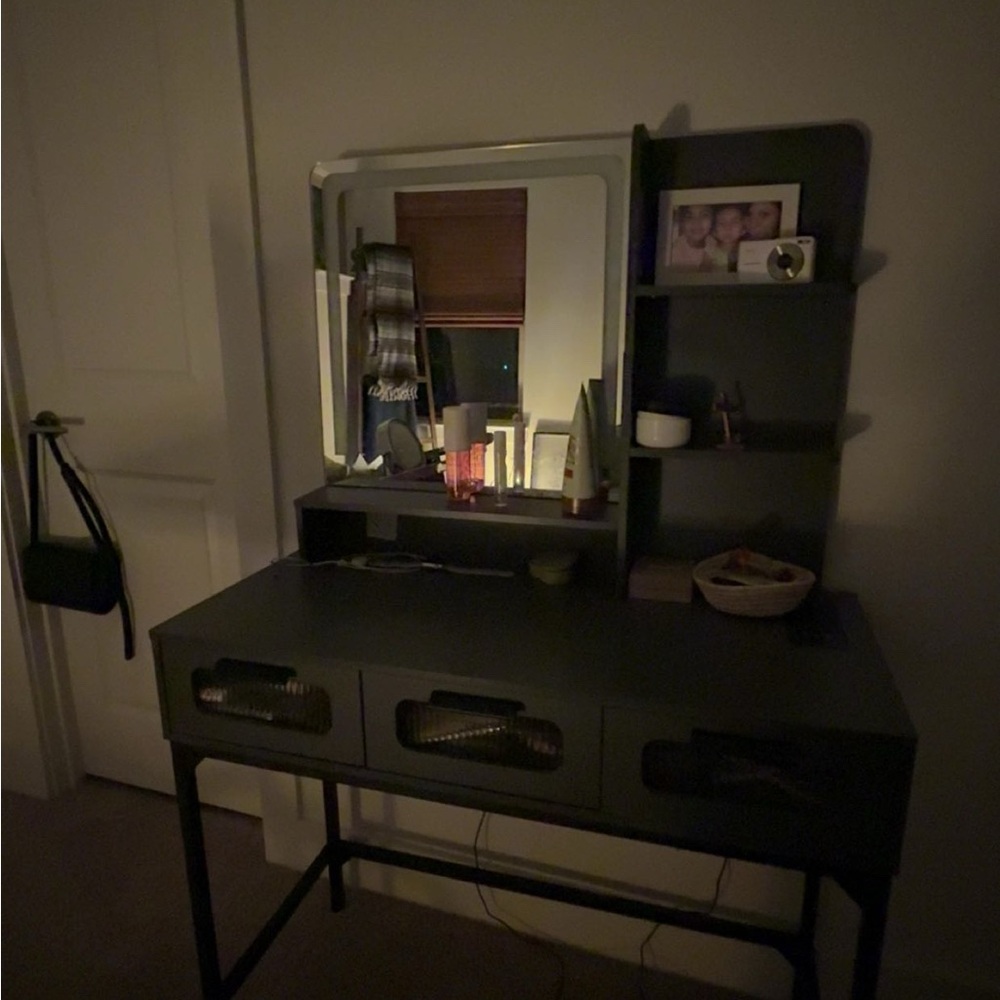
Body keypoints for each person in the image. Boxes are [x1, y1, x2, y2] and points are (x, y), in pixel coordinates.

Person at [707, 204, 746, 272]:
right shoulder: (710, 249)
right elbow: (703, 272)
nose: (728, 228)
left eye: (734, 222)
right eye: (722, 223)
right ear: (714, 231)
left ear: (743, 229)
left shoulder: (747, 250)